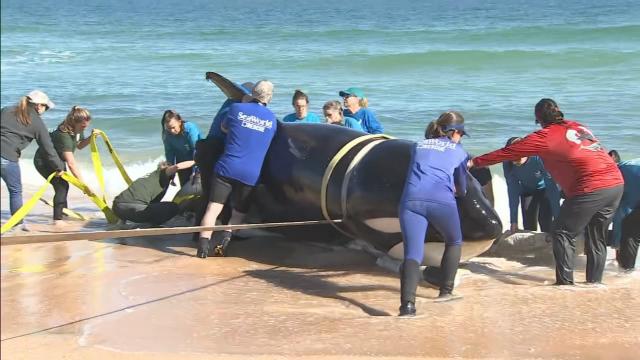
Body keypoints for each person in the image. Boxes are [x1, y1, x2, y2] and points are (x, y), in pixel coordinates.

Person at [470, 98, 624, 285]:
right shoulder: (580, 127)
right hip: (615, 183)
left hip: (592, 186)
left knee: (561, 232)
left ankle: (565, 284)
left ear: (539, 120)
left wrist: (474, 162)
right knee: (596, 234)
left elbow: (508, 152)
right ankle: (595, 283)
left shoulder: (544, 136)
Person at [397, 111, 469, 316]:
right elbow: (462, 186)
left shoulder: (417, 145)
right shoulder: (458, 150)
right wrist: (459, 192)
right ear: (454, 132)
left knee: (412, 254)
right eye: (461, 134)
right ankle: (446, 292)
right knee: (454, 240)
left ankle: (407, 307)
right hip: (441, 201)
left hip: (410, 201)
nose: (461, 138)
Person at [197, 80, 277, 258]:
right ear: (269, 98)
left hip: (226, 167)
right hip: (250, 174)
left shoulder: (236, 109)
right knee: (238, 213)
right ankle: (224, 243)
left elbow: (224, 128)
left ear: (252, 93)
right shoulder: (272, 119)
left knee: (213, 208)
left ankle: (202, 248)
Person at [1, 90, 64, 230]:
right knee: (16, 191)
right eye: (45, 107)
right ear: (39, 106)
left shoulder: (6, 110)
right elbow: (49, 150)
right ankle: (17, 225)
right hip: (7, 157)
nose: (45, 110)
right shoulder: (37, 124)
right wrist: (59, 168)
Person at [33, 106, 94, 224]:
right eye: (83, 126)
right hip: (44, 161)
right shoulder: (63, 135)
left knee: (63, 185)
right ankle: (58, 219)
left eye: (86, 126)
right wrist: (83, 185)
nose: (84, 128)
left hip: (57, 160)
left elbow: (79, 145)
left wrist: (92, 137)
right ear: (74, 122)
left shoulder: (76, 131)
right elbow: (71, 163)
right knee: (62, 186)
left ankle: (63, 212)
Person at [502, 136, 560, 233]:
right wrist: (513, 222)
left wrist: (558, 219)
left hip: (546, 188)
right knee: (529, 226)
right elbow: (513, 193)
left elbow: (552, 188)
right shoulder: (508, 163)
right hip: (527, 190)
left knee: (545, 221)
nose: (515, 161)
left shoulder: (539, 157)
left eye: (517, 157)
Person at [112, 160, 195, 225]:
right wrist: (197, 161)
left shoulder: (149, 177)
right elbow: (177, 166)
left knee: (153, 206)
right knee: (173, 207)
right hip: (133, 210)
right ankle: (152, 224)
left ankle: (122, 222)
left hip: (116, 208)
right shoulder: (162, 174)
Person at [607, 151, 639, 271]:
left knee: (630, 231)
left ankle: (626, 271)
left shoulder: (624, 172)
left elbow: (622, 215)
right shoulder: (628, 166)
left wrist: (616, 244)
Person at [161, 110, 202, 186]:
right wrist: (171, 173)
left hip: (199, 160)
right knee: (185, 188)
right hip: (182, 163)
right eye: (168, 128)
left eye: (173, 127)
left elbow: (196, 150)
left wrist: (195, 171)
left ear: (179, 122)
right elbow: (169, 154)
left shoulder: (190, 129)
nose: (172, 131)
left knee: (197, 185)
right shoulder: (167, 135)